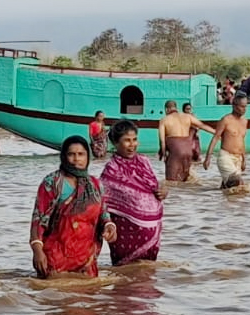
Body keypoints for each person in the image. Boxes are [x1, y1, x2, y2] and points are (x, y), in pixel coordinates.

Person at [30, 139, 116, 278]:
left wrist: (109, 226)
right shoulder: (53, 182)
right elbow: (39, 219)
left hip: (86, 260)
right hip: (56, 258)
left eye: (81, 154)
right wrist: (37, 250)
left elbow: (103, 213)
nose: (76, 159)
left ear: (88, 156)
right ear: (64, 156)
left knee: (89, 297)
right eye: (71, 154)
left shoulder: (95, 184)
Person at [99, 120, 165, 264]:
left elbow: (153, 187)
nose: (132, 144)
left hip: (152, 233)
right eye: (127, 141)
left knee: (148, 279)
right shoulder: (111, 169)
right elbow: (101, 201)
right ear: (116, 143)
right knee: (125, 278)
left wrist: (162, 193)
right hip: (125, 233)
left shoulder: (144, 161)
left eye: (134, 139)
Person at [157, 100, 215, 182]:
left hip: (176, 150)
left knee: (171, 181)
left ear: (166, 110)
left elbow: (162, 141)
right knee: (185, 178)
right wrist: (217, 133)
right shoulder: (187, 117)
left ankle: (175, 195)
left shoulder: (164, 120)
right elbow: (202, 126)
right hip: (188, 150)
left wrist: (164, 154)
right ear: (176, 108)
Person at [203, 94, 250, 189]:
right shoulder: (225, 120)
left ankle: (219, 201)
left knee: (229, 187)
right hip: (226, 156)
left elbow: (241, 140)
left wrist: (244, 159)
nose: (244, 109)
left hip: (238, 158)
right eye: (242, 106)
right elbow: (215, 138)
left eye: (246, 106)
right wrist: (208, 157)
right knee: (238, 182)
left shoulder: (245, 121)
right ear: (234, 106)